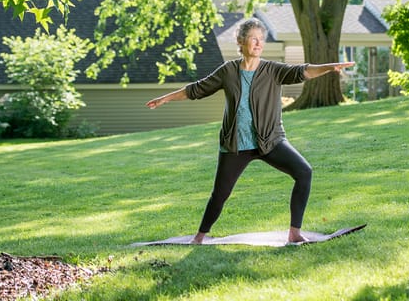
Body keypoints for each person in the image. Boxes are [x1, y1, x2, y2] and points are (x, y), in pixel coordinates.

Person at [146, 17, 354, 244]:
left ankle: (294, 233)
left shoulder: (272, 70)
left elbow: (302, 71)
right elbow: (197, 89)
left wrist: (328, 67)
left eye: (261, 39)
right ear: (241, 42)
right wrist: (166, 98)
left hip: (270, 141)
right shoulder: (228, 71)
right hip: (236, 144)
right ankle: (199, 238)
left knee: (304, 172)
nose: (258, 44)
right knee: (220, 194)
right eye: (253, 39)